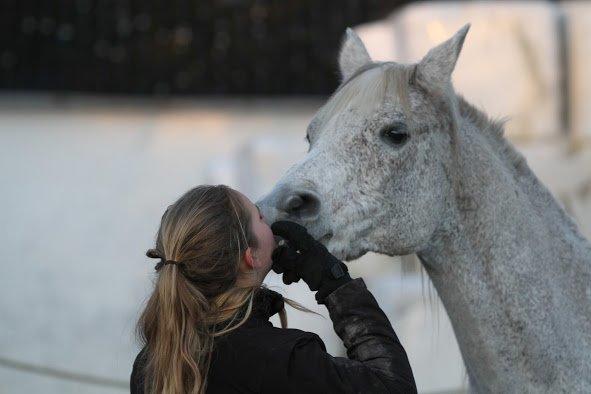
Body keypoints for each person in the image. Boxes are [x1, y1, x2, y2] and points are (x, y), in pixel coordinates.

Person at [130, 184, 417, 394]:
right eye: (260, 218)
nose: (271, 223)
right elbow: (393, 386)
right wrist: (333, 281)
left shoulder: (152, 364)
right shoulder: (280, 359)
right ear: (250, 257)